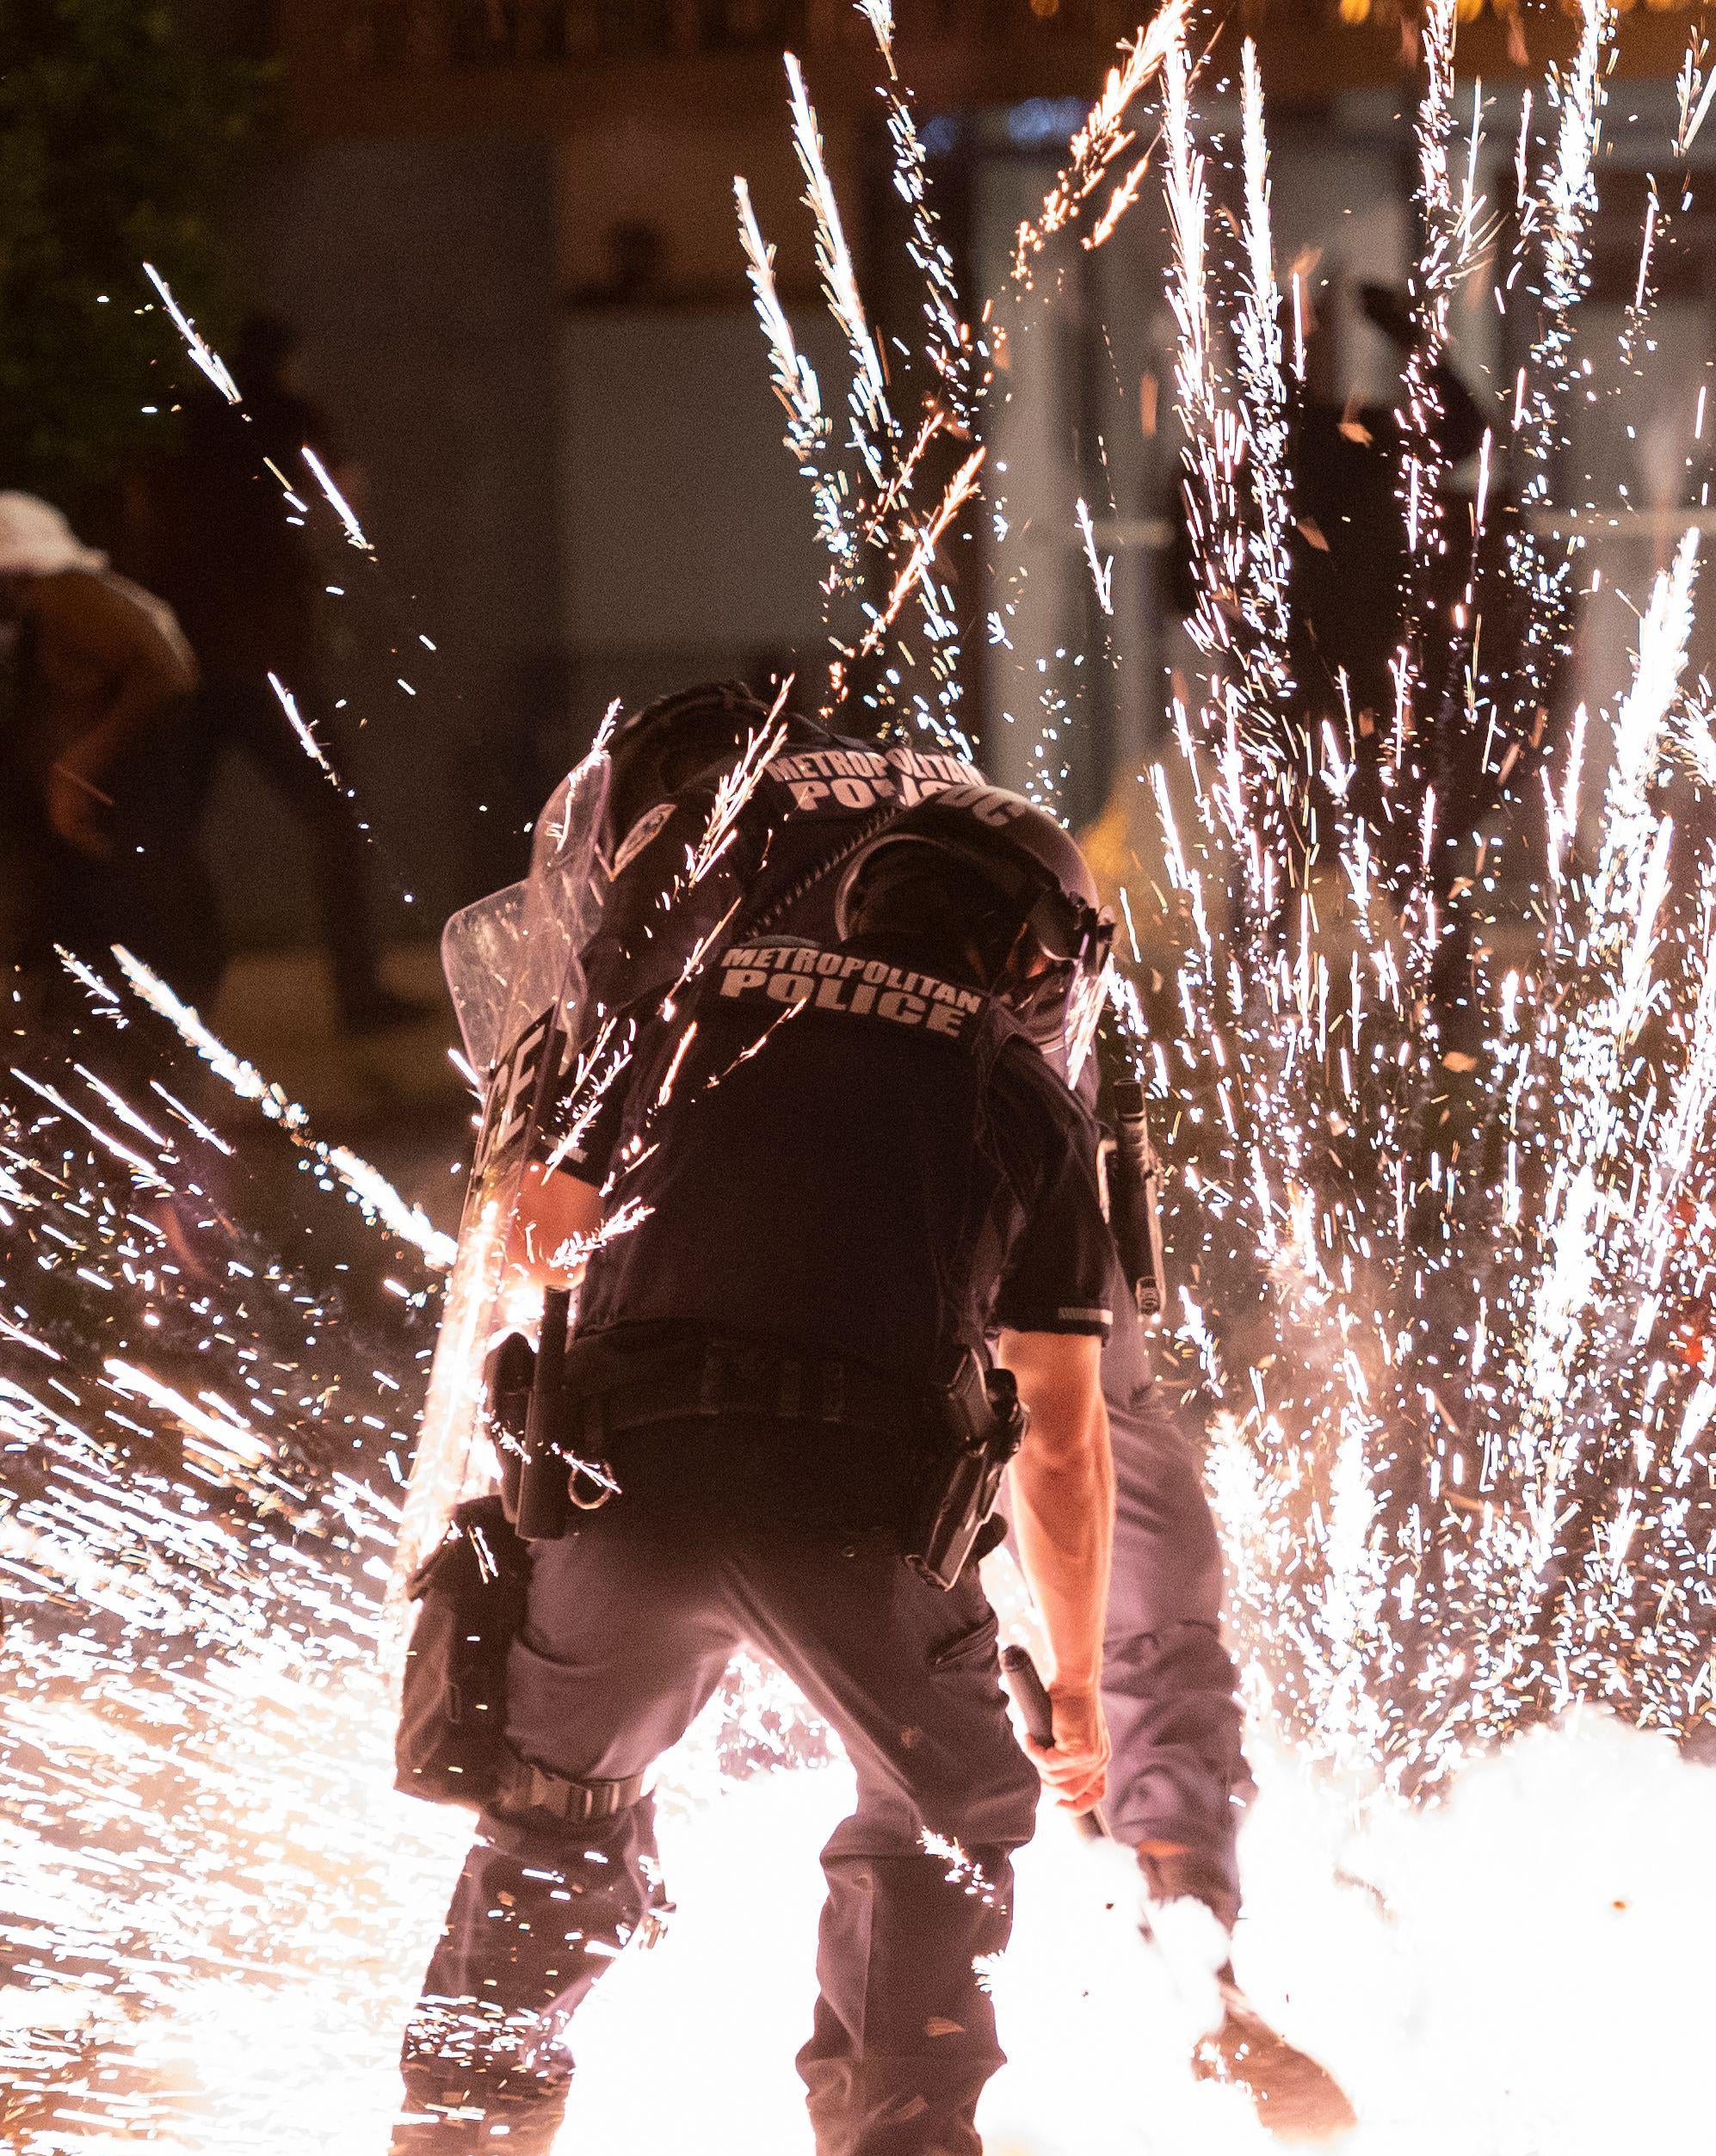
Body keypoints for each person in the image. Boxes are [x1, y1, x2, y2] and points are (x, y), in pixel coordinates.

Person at [511, 685, 1338, 2130]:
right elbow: (1078, 1445)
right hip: (946, 1242)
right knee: (1079, 1589)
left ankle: (474, 2068)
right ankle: (1188, 1961)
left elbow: (553, 1237)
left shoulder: (678, 908)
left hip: (749, 1339)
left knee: (583, 1736)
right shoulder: (881, 849)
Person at [392, 788, 1124, 2154]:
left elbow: (532, 1234)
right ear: (1027, 946)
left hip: (616, 1494)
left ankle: (457, 2132)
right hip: (853, 1531)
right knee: (938, 1823)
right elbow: (1066, 1433)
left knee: (551, 1822)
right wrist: (1074, 1681)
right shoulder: (1021, 1094)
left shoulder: (675, 1014)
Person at [127, 314, 411, 1029]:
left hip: (184, 657)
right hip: (265, 659)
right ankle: (357, 994)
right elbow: (341, 499)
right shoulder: (290, 415)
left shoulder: (187, 422)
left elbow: (143, 511)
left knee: (166, 833)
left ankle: (159, 993)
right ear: (286, 361)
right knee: (335, 824)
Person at [0, 491, 198, 1007]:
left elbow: (164, 673)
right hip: (115, 784)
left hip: (128, 781)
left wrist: (77, 771)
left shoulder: (65, 597)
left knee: (121, 924)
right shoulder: (70, 597)